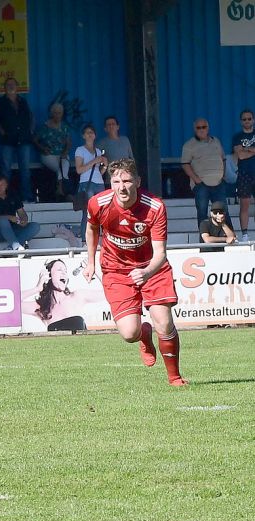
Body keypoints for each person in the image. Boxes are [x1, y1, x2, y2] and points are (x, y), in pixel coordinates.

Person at [83, 158, 187, 386]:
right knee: (129, 334)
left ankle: (175, 377)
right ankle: (144, 334)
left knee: (164, 322)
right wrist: (90, 262)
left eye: (127, 180)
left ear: (138, 181)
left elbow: (160, 253)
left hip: (153, 268)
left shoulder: (155, 207)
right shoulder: (97, 203)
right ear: (110, 183)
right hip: (116, 270)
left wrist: (147, 272)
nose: (122, 186)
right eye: (116, 181)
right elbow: (91, 229)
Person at [21, 259, 95, 331]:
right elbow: (12, 303)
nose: (63, 273)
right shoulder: (41, 307)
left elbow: (106, 292)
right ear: (49, 275)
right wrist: (37, 288)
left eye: (65, 271)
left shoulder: (77, 296)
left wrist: (94, 268)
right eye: (59, 270)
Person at [0, 77, 35, 202]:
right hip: (7, 141)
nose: (11, 87)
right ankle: (5, 198)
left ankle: (27, 197)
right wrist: (3, 132)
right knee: (5, 171)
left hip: (24, 139)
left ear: (17, 87)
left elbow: (31, 117)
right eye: (8, 85)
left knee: (25, 170)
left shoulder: (23, 101)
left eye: (13, 84)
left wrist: (30, 131)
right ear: (4, 88)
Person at [181, 118, 226, 225]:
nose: (201, 130)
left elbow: (223, 159)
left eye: (204, 127)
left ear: (208, 128)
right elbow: (185, 164)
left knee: (224, 212)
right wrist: (197, 180)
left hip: (219, 184)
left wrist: (223, 175)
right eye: (198, 127)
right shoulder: (189, 145)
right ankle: (204, 239)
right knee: (202, 213)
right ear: (194, 129)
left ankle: (229, 237)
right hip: (202, 185)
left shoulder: (216, 141)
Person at [0, 173, 40, 250]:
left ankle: (10, 248)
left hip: (13, 229)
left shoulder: (13, 195)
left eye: (2, 184)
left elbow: (21, 212)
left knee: (35, 226)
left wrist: (24, 220)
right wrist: (8, 217)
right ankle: (16, 246)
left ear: (6, 185)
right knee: (3, 221)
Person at [74, 124, 108, 237]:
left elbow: (99, 171)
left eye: (92, 132)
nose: (90, 134)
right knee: (88, 212)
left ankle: (100, 237)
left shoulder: (98, 151)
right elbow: (79, 170)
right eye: (87, 132)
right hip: (86, 183)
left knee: (102, 212)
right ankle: (85, 238)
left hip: (99, 183)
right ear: (83, 136)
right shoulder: (80, 150)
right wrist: (94, 161)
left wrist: (105, 166)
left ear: (95, 135)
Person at [34, 103, 72, 200]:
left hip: (61, 154)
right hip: (48, 155)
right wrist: (43, 148)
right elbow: (35, 140)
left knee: (64, 171)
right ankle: (61, 192)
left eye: (59, 113)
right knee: (60, 170)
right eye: (55, 113)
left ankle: (64, 192)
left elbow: (68, 142)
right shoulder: (45, 126)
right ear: (52, 113)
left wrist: (65, 152)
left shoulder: (64, 127)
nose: (57, 115)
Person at [231, 108, 254, 242]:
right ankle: (245, 234)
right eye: (244, 119)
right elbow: (240, 155)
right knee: (244, 205)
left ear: (253, 120)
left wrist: (247, 149)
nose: (247, 121)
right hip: (244, 174)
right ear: (241, 121)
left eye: (249, 119)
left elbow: (244, 152)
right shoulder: (237, 137)